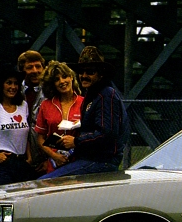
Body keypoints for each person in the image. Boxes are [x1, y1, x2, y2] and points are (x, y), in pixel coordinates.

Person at [40, 46, 128, 179]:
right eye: (81, 72)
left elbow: (107, 133)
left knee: (45, 182)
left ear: (101, 74)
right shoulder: (92, 95)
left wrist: (76, 141)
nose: (84, 76)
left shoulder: (106, 95)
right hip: (88, 159)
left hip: (101, 161)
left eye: (90, 72)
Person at [33, 60, 84, 174]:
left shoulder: (84, 103)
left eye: (65, 77)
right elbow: (40, 139)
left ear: (71, 77)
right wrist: (54, 156)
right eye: (57, 79)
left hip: (79, 161)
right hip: (54, 163)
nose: (62, 81)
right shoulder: (46, 105)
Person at [17, 50, 49, 173]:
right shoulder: (14, 91)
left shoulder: (51, 92)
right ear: (22, 70)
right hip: (20, 157)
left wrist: (50, 159)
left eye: (38, 66)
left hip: (45, 157)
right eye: (30, 67)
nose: (35, 71)